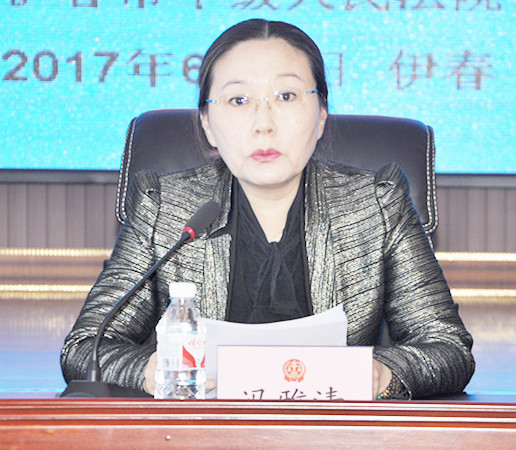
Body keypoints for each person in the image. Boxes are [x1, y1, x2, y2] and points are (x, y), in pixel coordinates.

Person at [61, 19, 474, 400]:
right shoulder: (165, 207)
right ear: (207, 123)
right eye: (238, 99)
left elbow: (448, 348)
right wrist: (148, 371)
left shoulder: (376, 203)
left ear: (321, 115)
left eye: (286, 96)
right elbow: (85, 348)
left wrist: (383, 374)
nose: (264, 124)